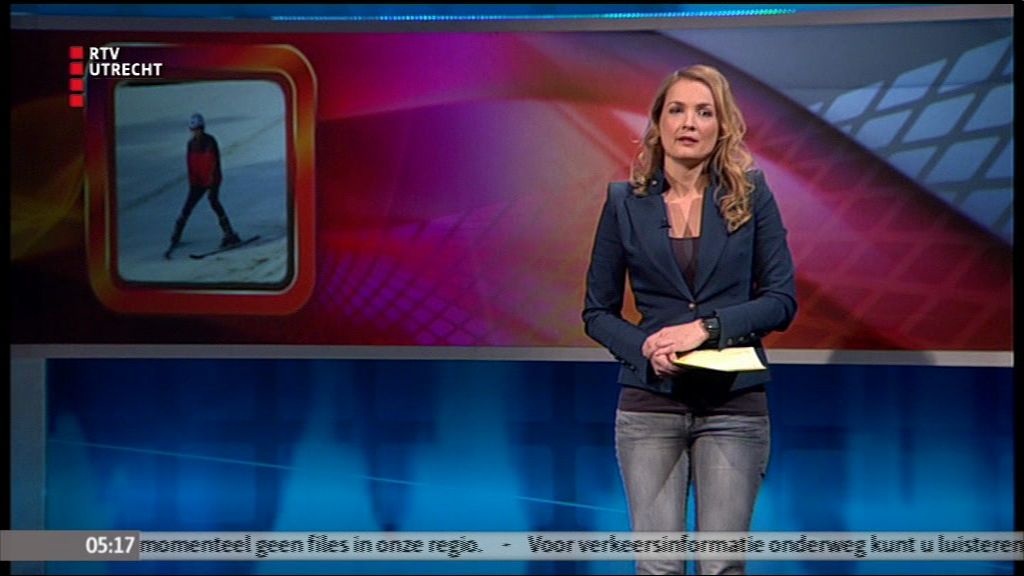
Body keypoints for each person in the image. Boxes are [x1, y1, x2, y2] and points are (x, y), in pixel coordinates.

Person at [582, 64, 797, 575]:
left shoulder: (752, 195)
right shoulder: (624, 203)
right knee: (658, 567)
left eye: (705, 112)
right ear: (658, 123)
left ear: (722, 126)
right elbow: (597, 312)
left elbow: (780, 300)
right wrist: (645, 349)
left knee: (721, 566)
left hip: (733, 406)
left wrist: (707, 328)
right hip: (650, 406)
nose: (690, 122)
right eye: (677, 110)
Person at [166, 112, 240, 256]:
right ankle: (176, 234)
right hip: (198, 181)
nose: (197, 132)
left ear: (203, 128)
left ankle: (229, 233)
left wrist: (212, 182)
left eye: (199, 129)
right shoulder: (190, 144)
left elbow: (214, 163)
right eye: (194, 129)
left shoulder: (210, 141)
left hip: (212, 180)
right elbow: (190, 165)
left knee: (214, 202)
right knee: (188, 206)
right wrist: (193, 181)